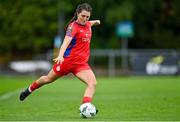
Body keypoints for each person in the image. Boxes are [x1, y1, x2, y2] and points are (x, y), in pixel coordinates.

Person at [19, 3, 100, 107]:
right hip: (66, 62)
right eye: (82, 16)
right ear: (77, 13)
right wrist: (60, 55)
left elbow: (91, 23)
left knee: (92, 83)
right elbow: (65, 42)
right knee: (48, 79)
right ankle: (29, 90)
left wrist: (97, 21)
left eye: (87, 17)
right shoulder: (73, 27)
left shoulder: (88, 24)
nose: (84, 19)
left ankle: (86, 107)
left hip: (81, 65)